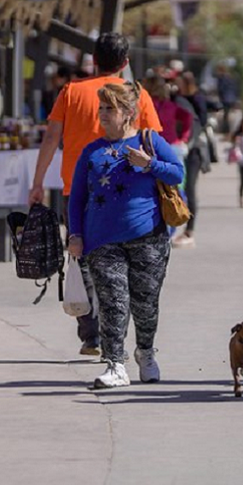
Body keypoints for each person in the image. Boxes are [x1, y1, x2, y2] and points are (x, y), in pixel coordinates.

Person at [28, 32, 162, 356]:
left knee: (83, 254)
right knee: (121, 260)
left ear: (93, 60)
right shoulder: (136, 95)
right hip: (126, 192)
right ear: (126, 63)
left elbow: (51, 138)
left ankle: (92, 334)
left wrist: (37, 182)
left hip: (78, 189)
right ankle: (113, 329)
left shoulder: (71, 92)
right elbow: (154, 141)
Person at [67, 82, 183, 389]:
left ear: (129, 113)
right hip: (101, 242)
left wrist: (150, 164)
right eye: (101, 108)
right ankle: (115, 364)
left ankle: (145, 352)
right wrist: (75, 234)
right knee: (112, 303)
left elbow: (178, 173)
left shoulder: (150, 141)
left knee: (145, 304)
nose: (103, 114)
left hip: (149, 238)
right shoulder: (91, 151)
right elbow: (77, 197)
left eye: (110, 109)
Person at [174, 71, 218, 248]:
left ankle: (189, 231)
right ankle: (178, 225)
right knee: (178, 187)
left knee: (190, 188)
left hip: (195, 148)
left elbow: (202, 121)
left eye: (179, 82)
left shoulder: (196, 98)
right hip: (180, 147)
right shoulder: (176, 97)